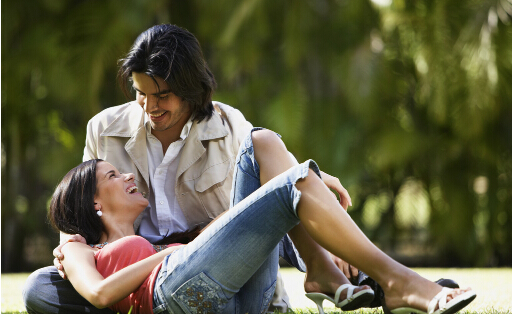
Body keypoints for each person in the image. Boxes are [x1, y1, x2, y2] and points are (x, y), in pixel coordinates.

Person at [46, 128, 475, 314]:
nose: (125, 175)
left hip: (235, 302)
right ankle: (396, 285)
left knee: (261, 143)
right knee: (298, 182)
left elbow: (222, 232)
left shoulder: (167, 243)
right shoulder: (79, 248)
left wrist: (178, 249)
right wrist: (168, 256)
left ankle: (332, 275)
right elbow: (101, 294)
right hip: (168, 294)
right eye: (110, 175)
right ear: (95, 203)